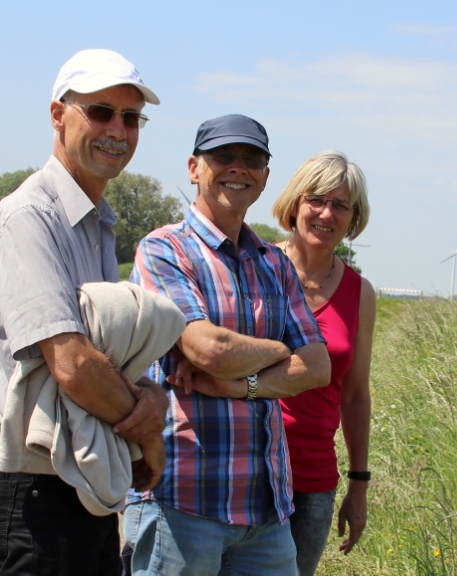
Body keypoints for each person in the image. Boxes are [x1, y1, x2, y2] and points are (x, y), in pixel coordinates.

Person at [0, 49, 169, 576]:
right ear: (58, 114)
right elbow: (75, 365)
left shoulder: (95, 222)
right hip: (38, 493)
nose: (118, 131)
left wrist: (147, 393)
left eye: (131, 118)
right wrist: (148, 430)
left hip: (80, 482)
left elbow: (105, 354)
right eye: (100, 112)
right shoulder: (29, 217)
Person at [123, 114, 332, 575]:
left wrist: (240, 386)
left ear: (265, 178)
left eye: (252, 159)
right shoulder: (165, 251)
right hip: (181, 500)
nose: (239, 167)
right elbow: (208, 350)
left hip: (265, 509)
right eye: (224, 157)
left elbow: (318, 366)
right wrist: (279, 348)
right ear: (194, 167)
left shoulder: (274, 263)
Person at [270, 150, 375, 576]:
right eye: (316, 199)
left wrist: (359, 486)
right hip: (248, 467)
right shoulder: (258, 266)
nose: (326, 213)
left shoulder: (359, 292)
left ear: (353, 218)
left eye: (341, 204)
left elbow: (356, 395)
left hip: (314, 481)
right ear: (295, 203)